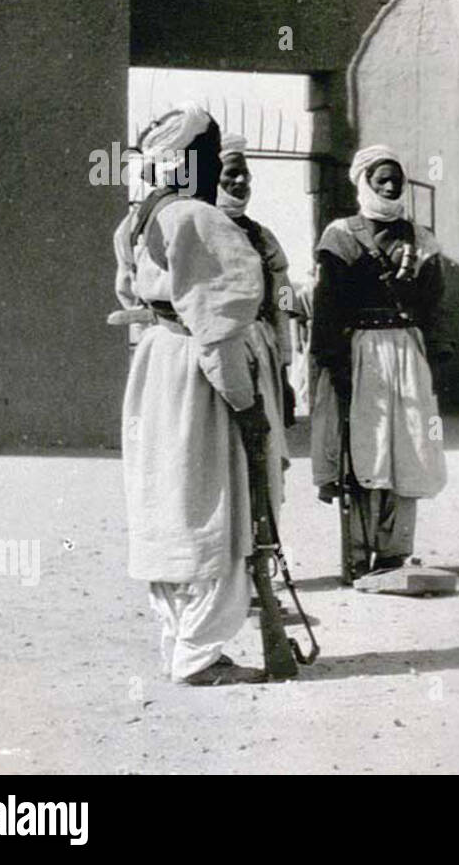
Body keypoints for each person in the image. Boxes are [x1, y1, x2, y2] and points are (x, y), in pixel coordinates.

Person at [117, 102, 285, 686]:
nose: (219, 164)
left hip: (159, 370)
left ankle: (182, 637)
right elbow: (217, 334)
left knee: (174, 503)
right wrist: (247, 406)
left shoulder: (142, 217)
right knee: (223, 508)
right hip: (202, 377)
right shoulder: (202, 221)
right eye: (211, 153)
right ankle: (200, 653)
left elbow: (133, 292)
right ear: (193, 159)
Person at [309, 144, 447, 577]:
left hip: (407, 349)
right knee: (364, 450)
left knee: (408, 448)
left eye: (396, 180)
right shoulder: (341, 236)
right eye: (380, 180)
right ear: (363, 183)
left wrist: (436, 359)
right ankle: (356, 552)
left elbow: (435, 304)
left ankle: (393, 551)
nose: (389, 187)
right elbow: (327, 303)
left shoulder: (421, 240)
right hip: (360, 351)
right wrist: (332, 361)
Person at [217, 133, 297, 427]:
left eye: (244, 174)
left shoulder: (263, 237)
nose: (240, 182)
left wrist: (284, 367)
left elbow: (283, 297)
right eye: (231, 174)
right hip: (217, 347)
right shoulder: (197, 227)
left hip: (261, 345)